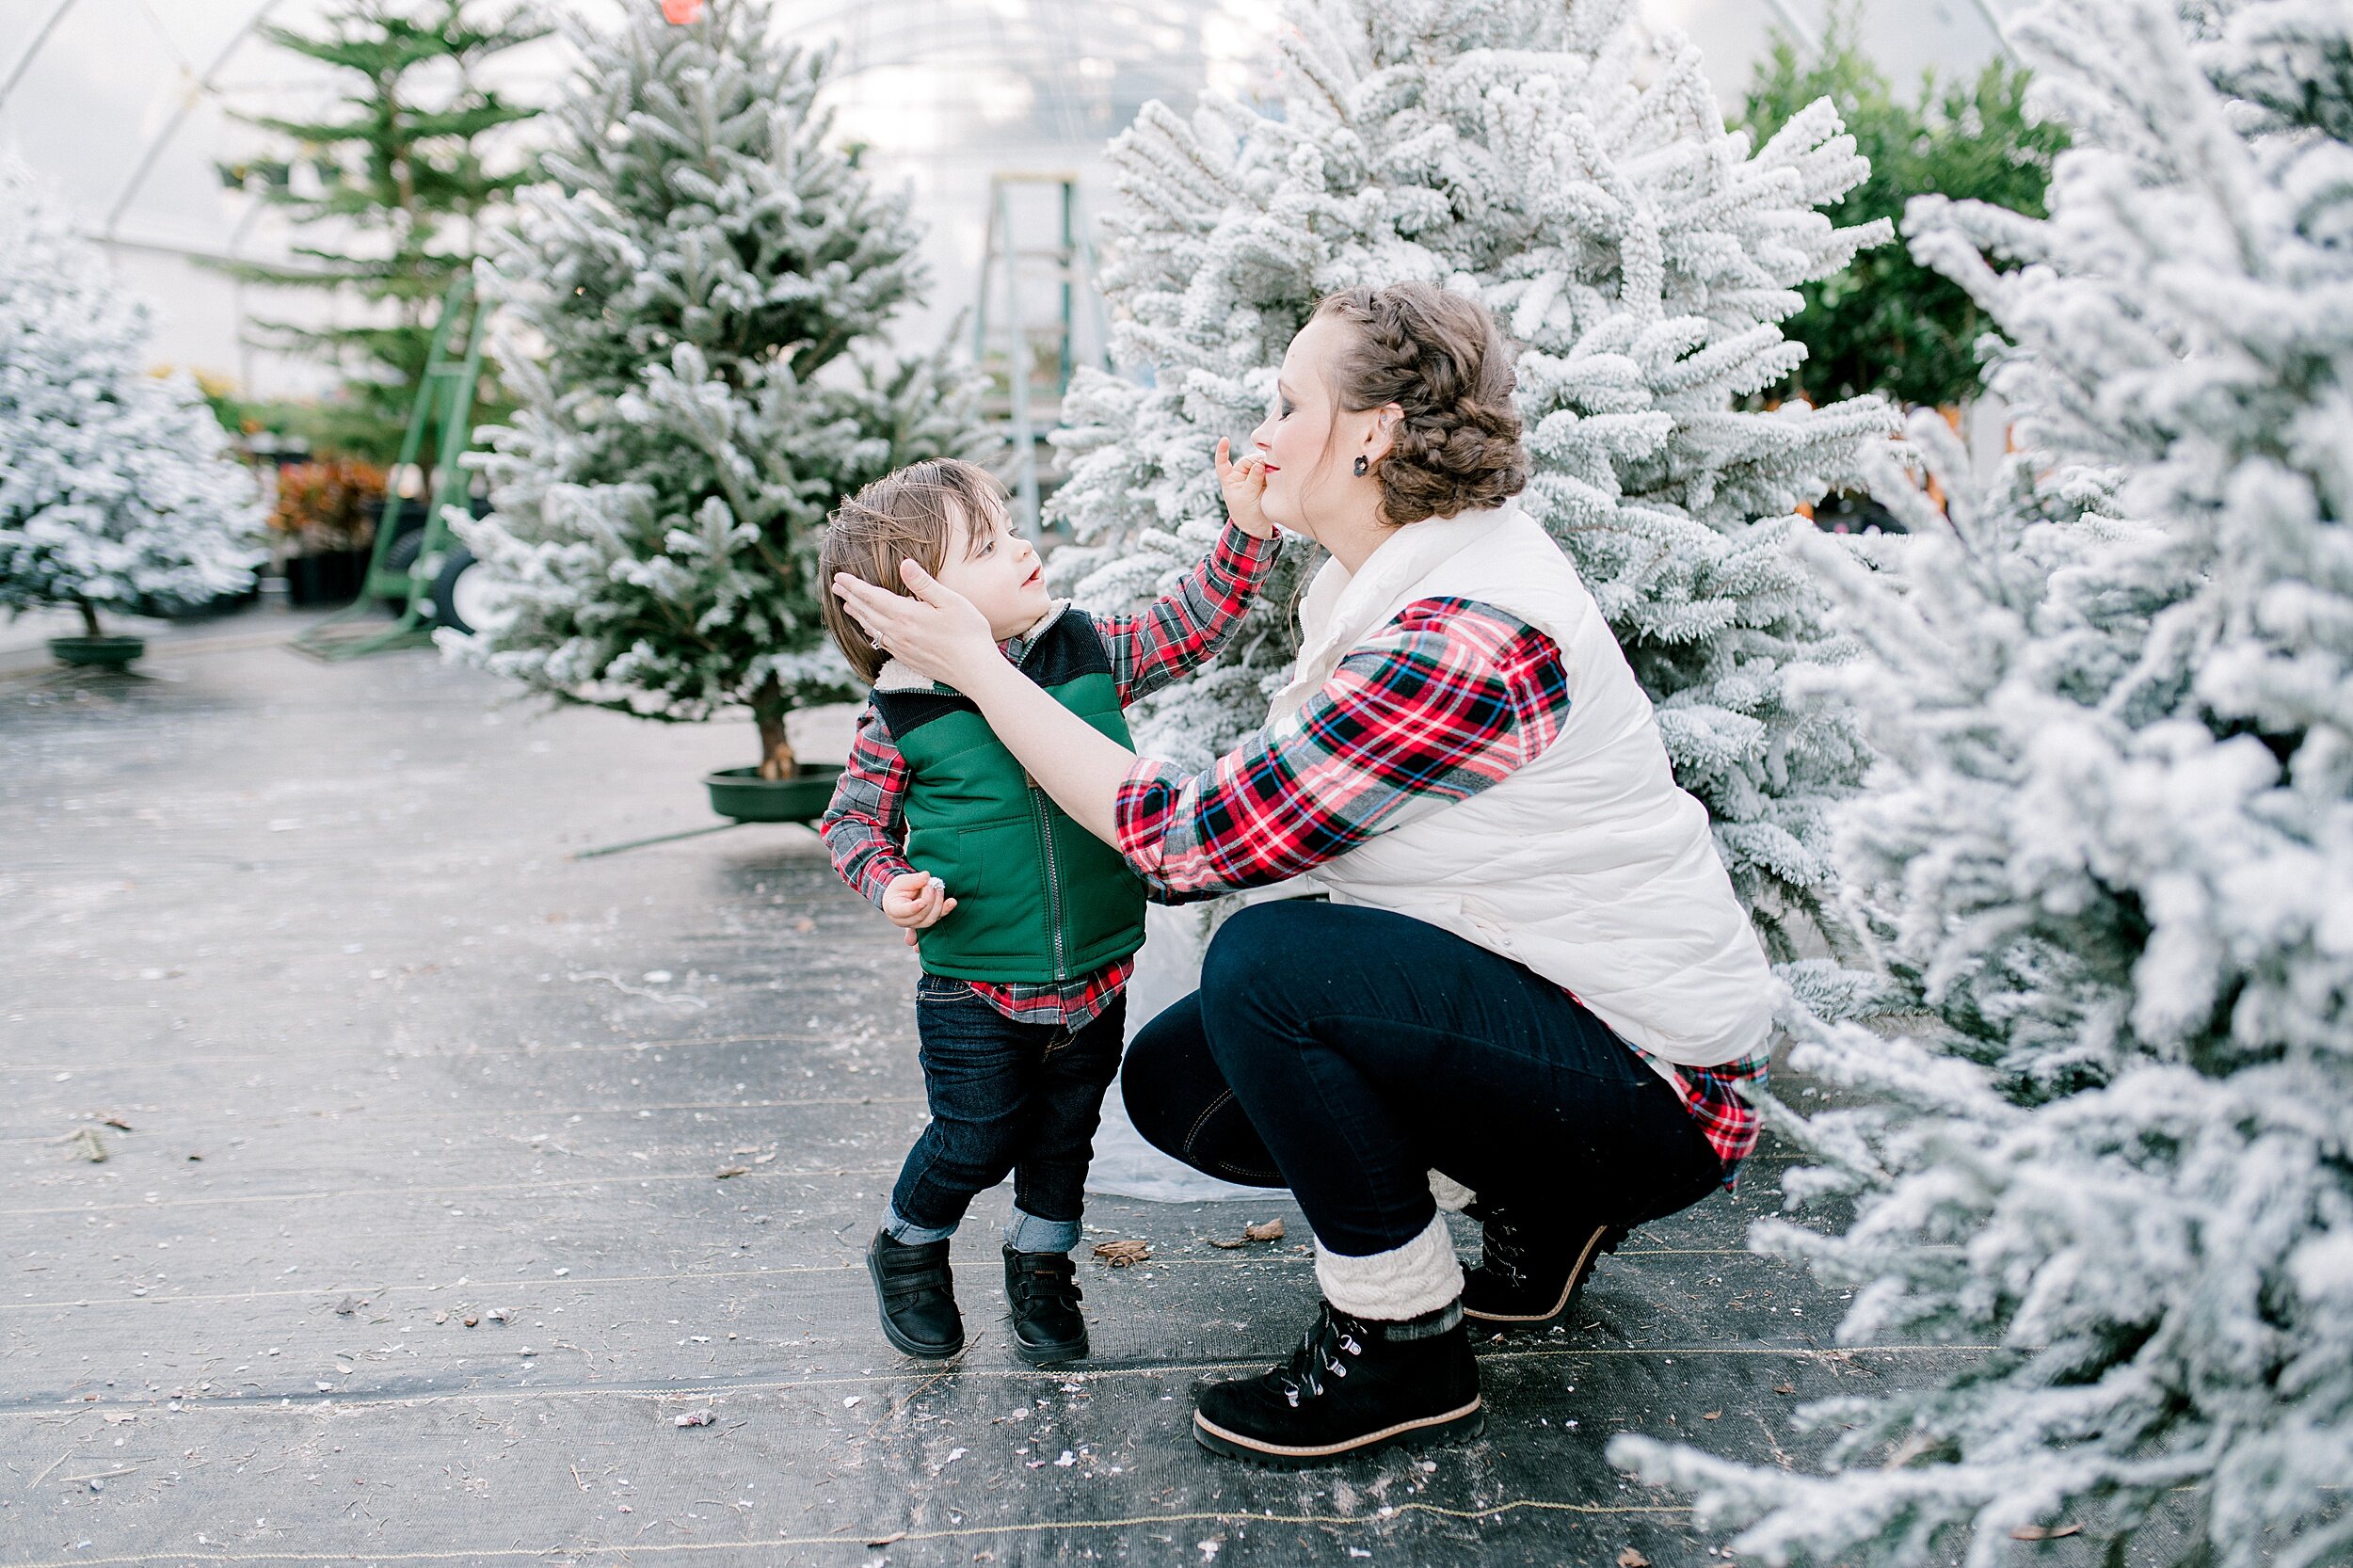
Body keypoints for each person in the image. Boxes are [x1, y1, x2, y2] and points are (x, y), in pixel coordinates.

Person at [830, 284, 1773, 1466]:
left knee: (1272, 968)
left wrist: (984, 670)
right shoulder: (1395, 583)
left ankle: (1401, 1341)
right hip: (1560, 1017)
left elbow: (1188, 846)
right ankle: (1539, 1211)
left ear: (1371, 434)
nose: (1262, 430)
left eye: (1287, 402)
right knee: (1187, 1079)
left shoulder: (1463, 636)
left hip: (1662, 1093)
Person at [817, 457, 1278, 1366]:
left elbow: (1190, 624)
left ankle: (1040, 1270)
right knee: (976, 1135)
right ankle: (909, 1245)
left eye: (1010, 527)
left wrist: (1248, 529)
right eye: (987, 546)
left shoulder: (1082, 647)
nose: (1021, 547)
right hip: (975, 986)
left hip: (1098, 971)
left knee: (1066, 1138)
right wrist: (889, 883)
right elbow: (851, 825)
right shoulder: (902, 713)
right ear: (917, 606)